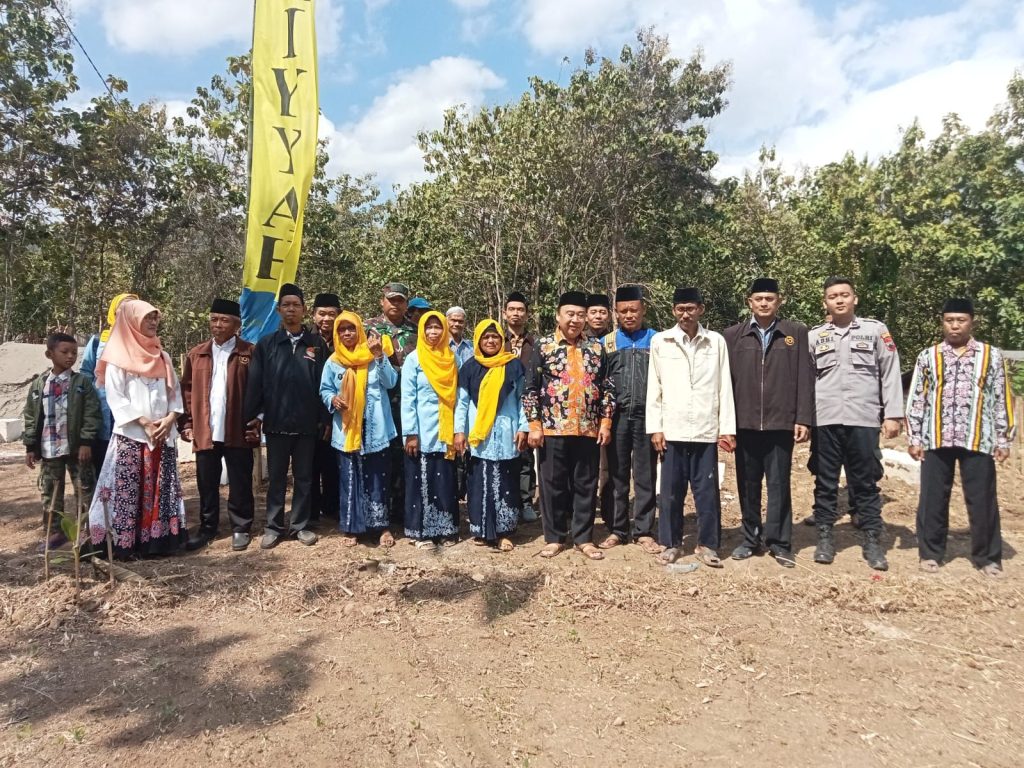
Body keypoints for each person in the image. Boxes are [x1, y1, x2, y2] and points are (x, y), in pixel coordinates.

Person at [906, 298, 1015, 577]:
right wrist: (915, 436)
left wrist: (1004, 438)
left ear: (971, 322)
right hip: (936, 436)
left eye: (961, 320)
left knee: (982, 499)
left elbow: (1001, 397)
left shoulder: (990, 356)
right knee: (933, 498)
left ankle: (988, 558)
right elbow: (917, 397)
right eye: (949, 320)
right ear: (943, 322)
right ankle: (930, 553)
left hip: (977, 437)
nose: (955, 326)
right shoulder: (928, 356)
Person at [808, 276, 903, 571]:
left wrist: (893, 414)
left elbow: (890, 372)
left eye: (844, 295)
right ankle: (825, 537)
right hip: (825, 419)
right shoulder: (814, 336)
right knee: (825, 483)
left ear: (854, 299)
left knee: (865, 483)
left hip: (863, 418)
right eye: (833, 296)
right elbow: (806, 380)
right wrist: (804, 420)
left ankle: (872, 541)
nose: (839, 300)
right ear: (825, 303)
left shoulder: (876, 331)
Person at [723, 278, 814, 568]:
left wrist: (802, 417)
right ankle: (750, 538)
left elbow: (805, 378)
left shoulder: (795, 334)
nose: (764, 303)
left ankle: (780, 542)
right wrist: (725, 423)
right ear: (749, 302)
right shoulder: (732, 336)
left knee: (779, 484)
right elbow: (725, 384)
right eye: (758, 298)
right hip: (744, 424)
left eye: (769, 298)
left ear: (779, 301)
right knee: (747, 485)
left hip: (780, 423)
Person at [87, 300, 188, 558]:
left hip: (161, 436)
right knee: (126, 492)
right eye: (147, 318)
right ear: (131, 322)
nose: (154, 322)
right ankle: (123, 544)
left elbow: (174, 393)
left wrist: (168, 420)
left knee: (160, 489)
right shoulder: (118, 358)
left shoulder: (162, 356)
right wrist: (143, 422)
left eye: (155, 317)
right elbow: (116, 397)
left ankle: (157, 541)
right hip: (131, 437)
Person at [647, 287, 735, 568]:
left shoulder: (716, 342)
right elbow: (654, 387)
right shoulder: (662, 341)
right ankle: (670, 543)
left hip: (705, 429)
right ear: (674, 311)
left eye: (691, 309)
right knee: (671, 492)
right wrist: (656, 428)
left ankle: (708, 544)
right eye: (680, 309)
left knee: (707, 491)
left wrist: (726, 428)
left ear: (701, 310)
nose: (685, 314)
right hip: (672, 430)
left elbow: (724, 388)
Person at [524, 291, 615, 560]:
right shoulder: (544, 346)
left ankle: (584, 538)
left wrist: (606, 421)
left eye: (580, 315)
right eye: (569, 314)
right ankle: (554, 537)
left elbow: (607, 387)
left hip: (587, 428)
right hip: (552, 428)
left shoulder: (596, 348)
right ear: (558, 315)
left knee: (586, 483)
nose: (575, 320)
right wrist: (534, 424)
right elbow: (530, 388)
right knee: (553, 484)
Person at [243, 283, 328, 550]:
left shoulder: (315, 344)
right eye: (286, 305)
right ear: (279, 310)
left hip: (307, 424)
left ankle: (300, 525)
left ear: (304, 310)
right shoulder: (268, 344)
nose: (291, 309)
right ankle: (273, 526)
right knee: (277, 477)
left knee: (304, 477)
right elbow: (255, 383)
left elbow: (325, 385)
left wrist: (324, 419)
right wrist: (254, 416)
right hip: (277, 424)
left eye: (296, 305)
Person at [179, 299, 256, 552]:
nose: (218, 325)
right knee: (206, 481)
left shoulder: (249, 352)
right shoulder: (197, 353)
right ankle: (207, 528)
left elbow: (259, 390)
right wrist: (187, 423)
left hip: (238, 428)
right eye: (214, 319)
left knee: (240, 480)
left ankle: (241, 527)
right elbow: (187, 391)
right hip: (206, 429)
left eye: (224, 320)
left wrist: (257, 420)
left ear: (237, 324)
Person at [320, 311, 398, 548]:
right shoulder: (333, 361)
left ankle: (381, 527)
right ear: (336, 333)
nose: (347, 333)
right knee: (349, 478)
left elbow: (391, 382)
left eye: (351, 329)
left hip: (377, 429)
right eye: (342, 329)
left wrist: (379, 356)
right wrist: (332, 399)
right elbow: (324, 389)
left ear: (359, 331)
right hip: (347, 430)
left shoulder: (374, 354)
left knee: (378, 478)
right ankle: (352, 528)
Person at [454, 319, 529, 551]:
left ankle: (504, 532)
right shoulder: (469, 367)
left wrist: (523, 427)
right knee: (479, 483)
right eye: (485, 337)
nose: (490, 340)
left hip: (507, 432)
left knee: (506, 481)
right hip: (480, 436)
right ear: (478, 340)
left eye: (495, 336)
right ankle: (482, 530)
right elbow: (462, 403)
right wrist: (459, 431)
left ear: (501, 340)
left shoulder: (514, 366)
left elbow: (522, 401)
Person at [597, 285, 660, 554]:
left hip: (648, 416)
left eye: (634, 310)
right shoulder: (606, 343)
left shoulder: (658, 340)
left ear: (643, 309)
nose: (629, 315)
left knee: (645, 475)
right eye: (623, 311)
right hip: (618, 417)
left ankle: (644, 530)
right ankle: (617, 529)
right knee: (616, 474)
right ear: (616, 313)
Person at [24, 333, 101, 550]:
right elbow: (30, 416)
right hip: (49, 449)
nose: (70, 357)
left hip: (77, 449)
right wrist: (31, 446)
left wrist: (86, 441)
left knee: (84, 489)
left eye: (74, 353)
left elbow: (92, 413)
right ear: (49, 354)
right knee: (50, 492)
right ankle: (55, 533)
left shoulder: (81, 383)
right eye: (64, 352)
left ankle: (87, 533)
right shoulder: (40, 385)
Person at [401, 311, 460, 548]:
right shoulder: (414, 360)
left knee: (445, 480)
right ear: (421, 330)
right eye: (429, 327)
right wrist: (411, 434)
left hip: (445, 430)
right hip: (421, 430)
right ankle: (421, 532)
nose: (433, 332)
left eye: (438, 327)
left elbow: (458, 397)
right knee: (420, 480)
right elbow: (407, 398)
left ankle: (447, 529)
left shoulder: (451, 358)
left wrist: (457, 430)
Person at [366, 281, 418, 522]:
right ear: (382, 301)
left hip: (407, 404)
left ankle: (403, 509)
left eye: (400, 300)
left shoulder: (418, 331)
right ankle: (379, 511)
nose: (395, 304)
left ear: (407, 303)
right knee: (379, 456)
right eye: (391, 299)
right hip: (377, 404)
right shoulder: (368, 329)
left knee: (406, 455)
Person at [81, 292, 138, 475]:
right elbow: (86, 372)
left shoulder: (143, 341)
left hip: (133, 413)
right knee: (103, 464)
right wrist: (91, 401)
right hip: (103, 412)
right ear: (114, 311)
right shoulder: (99, 341)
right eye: (123, 308)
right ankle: (103, 503)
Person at [503, 291, 539, 523]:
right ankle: (506, 501)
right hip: (502, 406)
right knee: (504, 454)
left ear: (527, 314)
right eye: (512, 309)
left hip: (527, 404)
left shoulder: (535, 343)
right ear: (505, 313)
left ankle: (526, 502)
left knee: (525, 456)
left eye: (520, 310)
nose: (516, 314)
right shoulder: (495, 339)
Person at [310, 293, 342, 526]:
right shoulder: (305, 341)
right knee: (310, 465)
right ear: (313, 315)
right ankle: (311, 512)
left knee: (335, 464)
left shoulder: (347, 340)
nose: (327, 319)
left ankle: (333, 507)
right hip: (310, 413)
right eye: (322, 314)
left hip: (339, 413)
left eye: (332, 314)